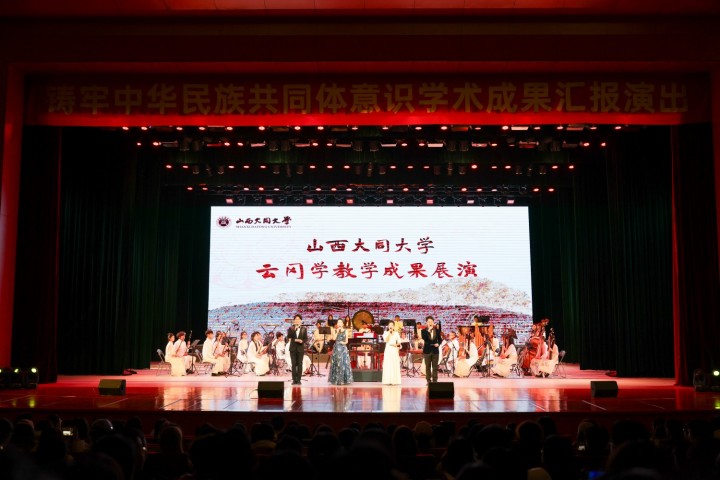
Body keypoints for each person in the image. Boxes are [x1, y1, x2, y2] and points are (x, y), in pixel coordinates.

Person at [328, 319, 353, 385]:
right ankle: (336, 379)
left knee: (343, 363)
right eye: (338, 322)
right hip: (336, 347)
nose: (339, 323)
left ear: (343, 323)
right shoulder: (335, 330)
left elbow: (346, 341)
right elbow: (334, 338)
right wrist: (337, 331)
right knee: (337, 362)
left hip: (343, 348)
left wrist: (343, 342)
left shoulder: (346, 331)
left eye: (341, 322)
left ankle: (344, 380)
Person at [287, 314, 308, 385]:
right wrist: (295, 329)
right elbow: (289, 336)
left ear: (301, 320)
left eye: (298, 319)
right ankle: (294, 379)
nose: (297, 320)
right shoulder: (291, 328)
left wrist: (302, 341)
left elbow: (306, 338)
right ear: (294, 320)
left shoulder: (304, 329)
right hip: (293, 348)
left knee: (299, 364)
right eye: (296, 319)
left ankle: (298, 379)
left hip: (300, 348)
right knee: (293, 364)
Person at [421, 316, 441, 384]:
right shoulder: (423, 331)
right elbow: (424, 338)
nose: (430, 323)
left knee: (435, 367)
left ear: (433, 322)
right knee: (428, 367)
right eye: (429, 322)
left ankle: (435, 381)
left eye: (431, 322)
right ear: (426, 323)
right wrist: (428, 331)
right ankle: (428, 380)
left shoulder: (437, 331)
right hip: (427, 350)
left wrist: (438, 344)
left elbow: (440, 339)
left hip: (435, 351)